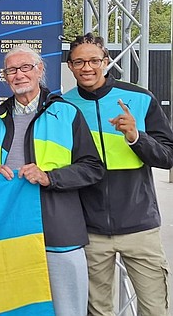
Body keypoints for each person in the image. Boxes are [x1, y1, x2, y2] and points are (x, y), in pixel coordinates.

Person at [0, 45, 104, 316]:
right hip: (7, 233)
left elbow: (92, 168)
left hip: (58, 232)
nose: (19, 75)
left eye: (26, 68)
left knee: (68, 309)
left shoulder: (66, 113)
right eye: (12, 70)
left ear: (40, 71)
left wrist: (50, 177)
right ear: (5, 76)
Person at [62, 33, 173, 316]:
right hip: (89, 230)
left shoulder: (139, 97)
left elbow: (168, 156)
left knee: (154, 309)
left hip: (141, 226)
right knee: (98, 310)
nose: (87, 67)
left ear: (107, 62)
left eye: (94, 60)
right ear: (70, 66)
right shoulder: (62, 106)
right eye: (79, 62)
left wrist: (136, 136)